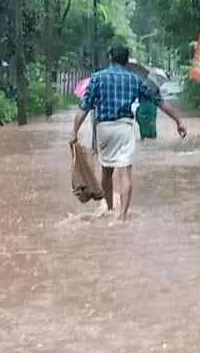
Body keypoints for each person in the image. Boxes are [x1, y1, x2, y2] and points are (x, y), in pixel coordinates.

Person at [71, 45, 188, 221]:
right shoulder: (134, 79)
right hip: (124, 128)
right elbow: (159, 101)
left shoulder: (97, 78)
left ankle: (109, 209)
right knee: (125, 173)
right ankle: (123, 216)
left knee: (106, 171)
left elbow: (84, 107)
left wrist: (74, 131)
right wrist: (178, 121)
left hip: (103, 128)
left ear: (110, 57)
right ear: (126, 61)